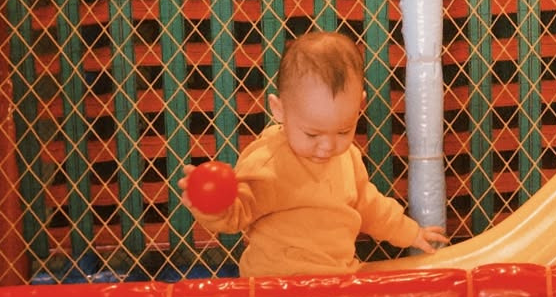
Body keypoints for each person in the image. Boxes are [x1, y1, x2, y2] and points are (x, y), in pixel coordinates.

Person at [182, 30, 443, 276]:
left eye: (343, 131)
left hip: (336, 278)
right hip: (276, 284)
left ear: (359, 106)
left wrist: (410, 233)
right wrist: (212, 204)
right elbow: (237, 214)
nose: (328, 146)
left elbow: (369, 206)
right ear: (279, 110)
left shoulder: (347, 159)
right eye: (312, 134)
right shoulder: (269, 162)